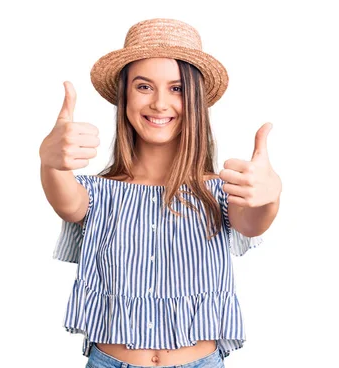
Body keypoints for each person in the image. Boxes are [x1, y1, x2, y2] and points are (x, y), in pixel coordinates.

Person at [39, 18, 281, 368]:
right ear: (125, 96)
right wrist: (51, 164)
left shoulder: (220, 190)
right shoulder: (100, 192)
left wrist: (270, 196)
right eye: (143, 87)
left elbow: (252, 222)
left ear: (195, 100)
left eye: (177, 88)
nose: (159, 103)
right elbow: (67, 202)